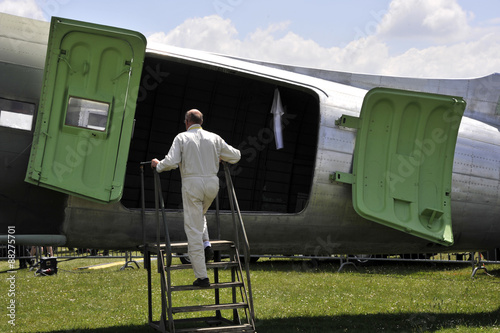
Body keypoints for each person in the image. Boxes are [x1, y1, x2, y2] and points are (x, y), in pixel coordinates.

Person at [151, 109, 241, 287]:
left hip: (192, 183)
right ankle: (206, 243)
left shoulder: (182, 137)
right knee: (199, 216)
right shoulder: (214, 137)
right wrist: (220, 156)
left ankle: (202, 277)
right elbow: (236, 155)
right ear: (202, 121)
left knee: (192, 229)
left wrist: (157, 165)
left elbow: (171, 161)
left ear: (186, 122)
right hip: (212, 184)